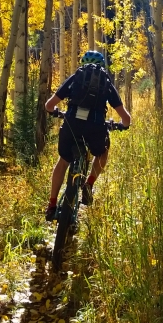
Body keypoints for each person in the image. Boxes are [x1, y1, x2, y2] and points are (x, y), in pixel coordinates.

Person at [44, 50, 131, 221]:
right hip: (96, 128)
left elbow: (49, 105)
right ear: (102, 67)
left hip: (71, 124)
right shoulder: (105, 82)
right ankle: (89, 184)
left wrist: (55, 112)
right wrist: (122, 126)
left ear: (82, 65)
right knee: (102, 152)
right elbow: (126, 118)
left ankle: (52, 204)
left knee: (63, 162)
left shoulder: (76, 78)